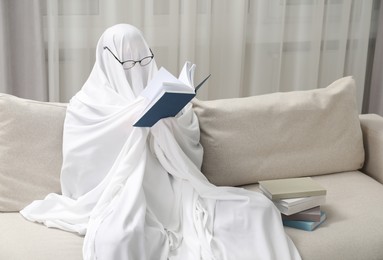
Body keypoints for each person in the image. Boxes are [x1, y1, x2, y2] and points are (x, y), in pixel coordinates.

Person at [21, 24, 301, 260]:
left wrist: (170, 121)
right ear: (107, 61)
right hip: (122, 195)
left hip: (174, 189)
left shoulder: (159, 88)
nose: (139, 69)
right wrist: (133, 125)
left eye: (145, 60)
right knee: (118, 238)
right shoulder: (86, 106)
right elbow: (81, 172)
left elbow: (191, 150)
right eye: (129, 64)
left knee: (258, 210)